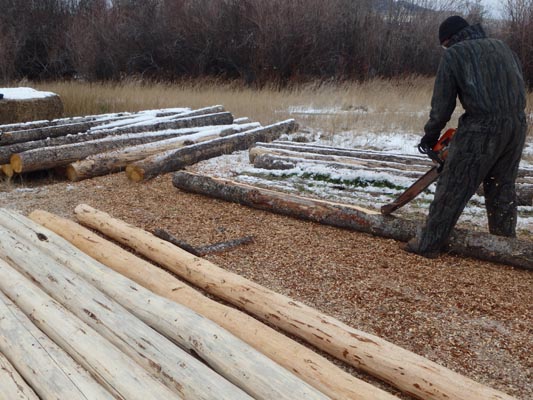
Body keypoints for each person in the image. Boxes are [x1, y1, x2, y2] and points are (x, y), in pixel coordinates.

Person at [402, 15, 528, 258]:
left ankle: (428, 244)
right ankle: (505, 247)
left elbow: (442, 105)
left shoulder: (454, 54)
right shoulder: (502, 47)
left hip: (482, 126)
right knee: (501, 187)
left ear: (448, 39)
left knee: (454, 185)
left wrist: (431, 136)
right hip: (517, 124)